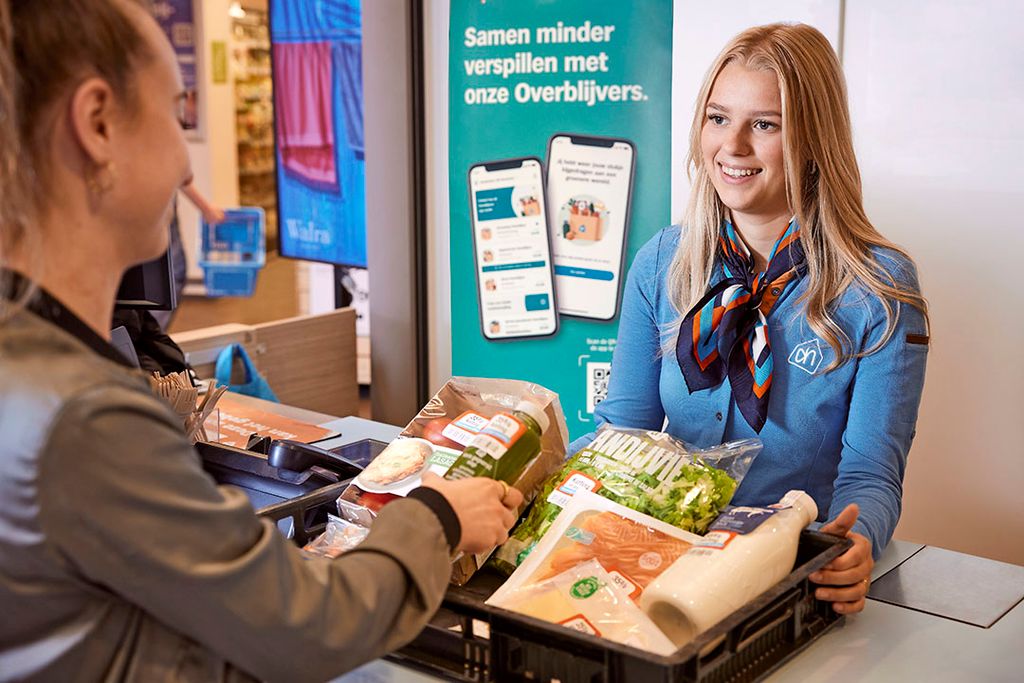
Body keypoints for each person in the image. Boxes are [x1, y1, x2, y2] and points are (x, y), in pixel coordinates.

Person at [0, 2, 521, 681]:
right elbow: (311, 627)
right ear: (98, 123)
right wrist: (436, 518)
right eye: (174, 110)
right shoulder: (84, 415)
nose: (187, 172)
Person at [569, 23, 929, 616]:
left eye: (764, 124)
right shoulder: (662, 262)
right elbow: (624, 431)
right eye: (718, 118)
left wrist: (856, 545)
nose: (731, 145)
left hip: (784, 583)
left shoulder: (879, 291)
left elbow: (871, 472)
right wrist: (533, 469)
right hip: (655, 563)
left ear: (815, 141)